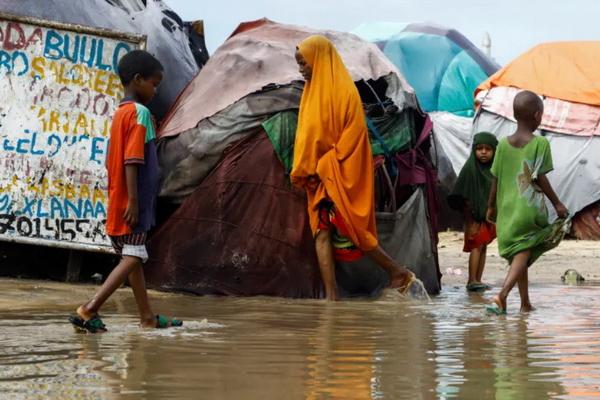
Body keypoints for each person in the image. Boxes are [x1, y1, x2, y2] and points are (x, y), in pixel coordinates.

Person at [291, 35, 415, 301]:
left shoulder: (344, 93)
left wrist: (323, 164)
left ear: (319, 59)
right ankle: (332, 298)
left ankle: (398, 272)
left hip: (338, 172)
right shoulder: (309, 93)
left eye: (305, 63)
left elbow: (353, 141)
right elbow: (307, 136)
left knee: (354, 231)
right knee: (321, 233)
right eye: (299, 64)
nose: (302, 69)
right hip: (319, 177)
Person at [69, 50, 182, 332]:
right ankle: (89, 308)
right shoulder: (141, 114)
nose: (155, 91)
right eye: (154, 84)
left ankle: (147, 318)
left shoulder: (120, 114)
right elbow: (133, 159)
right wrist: (134, 200)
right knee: (134, 256)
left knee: (133, 259)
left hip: (119, 198)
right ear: (137, 79)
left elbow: (113, 161)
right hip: (134, 202)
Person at [486, 90, 569, 314]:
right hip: (528, 210)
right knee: (523, 252)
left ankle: (524, 303)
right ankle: (502, 296)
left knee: (519, 253)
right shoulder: (540, 143)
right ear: (536, 115)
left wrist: (491, 206)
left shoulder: (502, 145)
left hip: (507, 211)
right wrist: (558, 204)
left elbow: (495, 178)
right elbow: (539, 177)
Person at [448, 132, 498, 292]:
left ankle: (478, 279)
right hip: (473, 217)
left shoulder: (494, 171)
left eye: (488, 149)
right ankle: (471, 280)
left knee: (483, 247)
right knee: (476, 246)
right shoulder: (470, 169)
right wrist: (471, 215)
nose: (483, 152)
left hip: (487, 217)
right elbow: (461, 192)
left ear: (494, 151)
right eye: (479, 149)